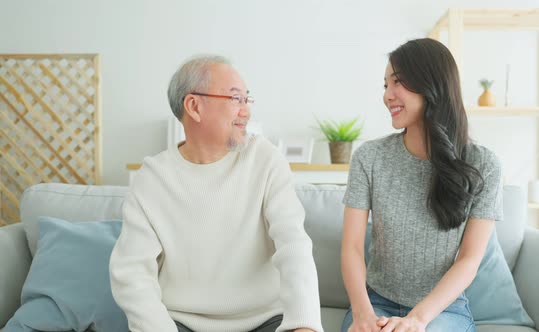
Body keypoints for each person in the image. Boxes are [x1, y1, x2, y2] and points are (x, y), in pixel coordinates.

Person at [110, 55, 323, 332]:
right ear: (194, 106)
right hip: (182, 322)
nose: (246, 111)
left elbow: (294, 245)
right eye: (236, 99)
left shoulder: (265, 160)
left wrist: (304, 324)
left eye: (247, 100)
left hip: (266, 321)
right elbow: (132, 274)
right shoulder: (151, 179)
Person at [340, 38, 503, 332]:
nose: (387, 95)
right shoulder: (370, 157)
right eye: (385, 85)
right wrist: (362, 314)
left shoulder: (484, 165)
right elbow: (351, 247)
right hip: (376, 302)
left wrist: (418, 319)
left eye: (397, 82)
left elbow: (469, 259)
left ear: (432, 84)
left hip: (443, 308)